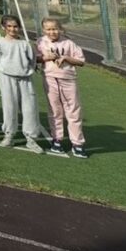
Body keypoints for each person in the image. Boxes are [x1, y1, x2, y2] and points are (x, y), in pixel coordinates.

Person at [37, 18, 89, 158]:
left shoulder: (69, 43)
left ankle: (77, 143)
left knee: (73, 111)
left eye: (54, 29)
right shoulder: (41, 42)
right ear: (44, 30)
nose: (52, 32)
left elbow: (81, 61)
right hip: (50, 79)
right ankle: (57, 139)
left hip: (68, 79)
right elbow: (36, 59)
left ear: (59, 29)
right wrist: (46, 57)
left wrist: (66, 58)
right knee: (55, 110)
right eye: (48, 29)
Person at [0, 15, 44, 153]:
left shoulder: (25, 44)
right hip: (7, 78)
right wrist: (5, 70)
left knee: (30, 108)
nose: (12, 29)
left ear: (19, 27)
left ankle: (31, 139)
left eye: (15, 26)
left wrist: (26, 71)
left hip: (25, 79)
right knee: (9, 107)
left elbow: (32, 61)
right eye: (9, 26)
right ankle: (9, 135)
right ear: (3, 27)